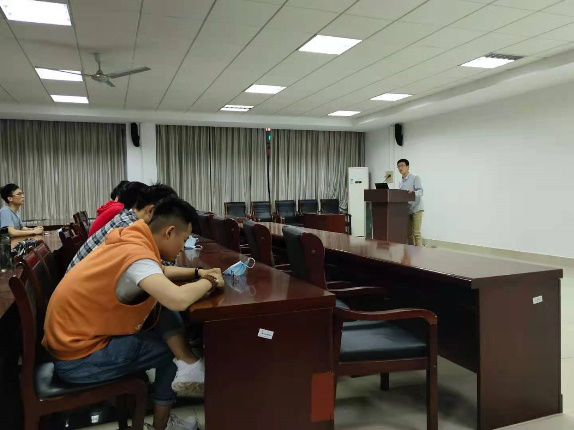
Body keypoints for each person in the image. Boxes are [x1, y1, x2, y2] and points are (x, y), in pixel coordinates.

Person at [43, 197, 224, 430]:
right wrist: (211, 281)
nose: (182, 247)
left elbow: (159, 270)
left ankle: (189, 366)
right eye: (183, 239)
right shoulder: (137, 255)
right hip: (79, 360)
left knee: (160, 312)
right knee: (170, 350)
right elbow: (177, 299)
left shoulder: (130, 237)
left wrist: (198, 273)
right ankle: (163, 422)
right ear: (169, 232)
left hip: (71, 344)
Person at [397, 159, 424, 246]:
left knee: (416, 233)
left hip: (417, 208)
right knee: (409, 234)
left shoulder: (415, 177)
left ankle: (419, 253)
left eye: (402, 166)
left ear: (408, 167)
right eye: (398, 166)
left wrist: (413, 192)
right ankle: (411, 253)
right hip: (407, 209)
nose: (400, 168)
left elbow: (421, 192)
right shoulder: (400, 181)